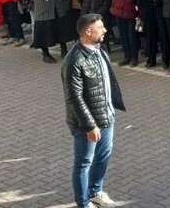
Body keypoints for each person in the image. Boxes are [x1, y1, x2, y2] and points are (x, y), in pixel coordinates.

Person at [62, 13, 125, 208]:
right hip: (86, 124)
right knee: (84, 163)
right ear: (88, 31)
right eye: (101, 27)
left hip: (106, 116)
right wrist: (90, 125)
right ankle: (83, 203)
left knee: (103, 156)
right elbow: (74, 98)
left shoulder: (98, 50)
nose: (105, 30)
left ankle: (96, 191)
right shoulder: (74, 60)